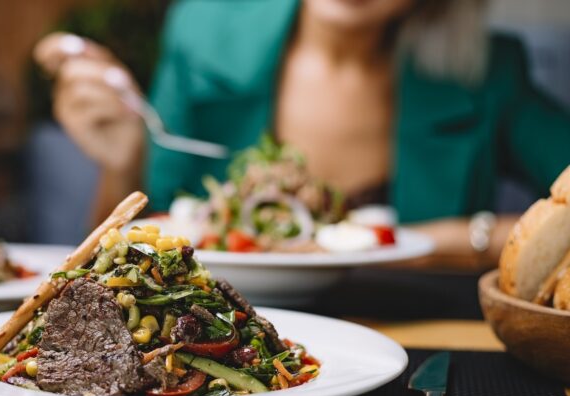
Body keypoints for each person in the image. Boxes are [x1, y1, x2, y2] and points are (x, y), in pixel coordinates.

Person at [33, 0, 570, 269]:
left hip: (425, 351)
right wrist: (124, 163)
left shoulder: (488, 72)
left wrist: (459, 241)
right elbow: (121, 256)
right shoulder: (202, 34)